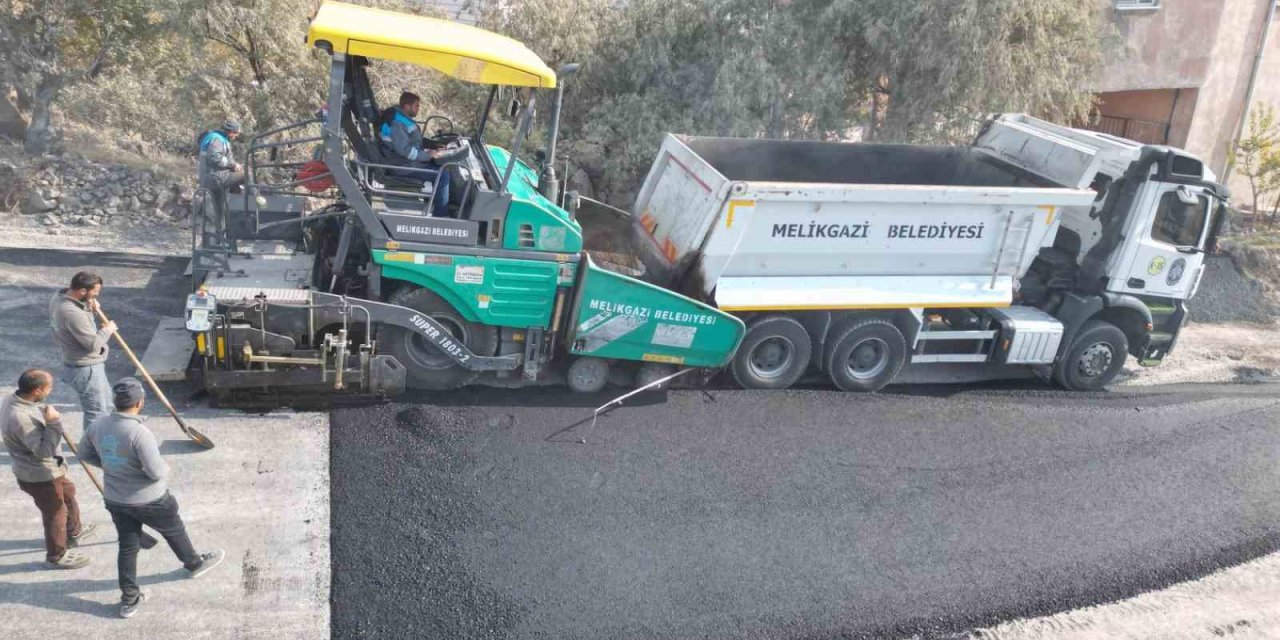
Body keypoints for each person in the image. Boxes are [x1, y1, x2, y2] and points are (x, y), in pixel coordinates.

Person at [78, 378, 225, 619]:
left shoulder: (98, 425)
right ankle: (194, 564)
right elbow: (155, 471)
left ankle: (129, 600)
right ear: (140, 403)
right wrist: (165, 470)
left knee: (127, 546)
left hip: (116, 499)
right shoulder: (139, 432)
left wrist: (112, 468)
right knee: (173, 528)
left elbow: (84, 453)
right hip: (150, 499)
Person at [1, 369, 98, 569]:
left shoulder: (15, 398)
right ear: (37, 390)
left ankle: (74, 530)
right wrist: (54, 423)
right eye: (49, 387)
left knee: (68, 492)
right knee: (55, 513)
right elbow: (44, 451)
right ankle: (57, 554)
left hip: (51, 470)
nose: (51, 390)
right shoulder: (21, 418)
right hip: (40, 474)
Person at [50, 271, 117, 427]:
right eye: (95, 292)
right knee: (97, 412)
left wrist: (88, 307)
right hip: (86, 369)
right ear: (82, 291)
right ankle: (92, 448)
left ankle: (98, 440)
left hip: (81, 365)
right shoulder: (72, 313)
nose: (97, 295)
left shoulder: (59, 297)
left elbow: (79, 327)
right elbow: (93, 344)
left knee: (105, 405)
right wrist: (108, 329)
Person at [379, 91, 452, 216]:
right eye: (416, 106)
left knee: (442, 168)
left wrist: (433, 145)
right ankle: (442, 216)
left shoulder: (401, 118)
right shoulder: (398, 123)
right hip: (402, 166)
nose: (418, 109)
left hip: (404, 162)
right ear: (407, 106)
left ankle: (434, 205)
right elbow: (405, 150)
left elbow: (413, 141)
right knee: (443, 175)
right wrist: (428, 155)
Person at [198, 118, 245, 194]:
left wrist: (235, 166)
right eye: (237, 133)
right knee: (247, 174)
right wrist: (232, 165)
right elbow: (215, 157)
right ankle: (256, 201)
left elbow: (223, 158)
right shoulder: (217, 140)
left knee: (239, 173)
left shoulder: (219, 138)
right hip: (215, 178)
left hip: (214, 176)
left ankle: (235, 202)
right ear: (231, 132)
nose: (237, 136)